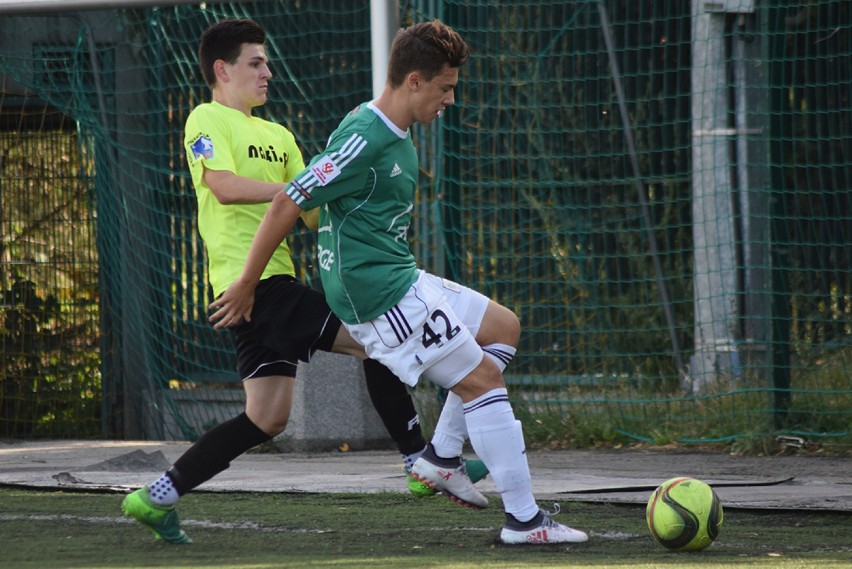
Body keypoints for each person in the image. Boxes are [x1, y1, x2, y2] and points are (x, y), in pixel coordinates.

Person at [210, 20, 589, 545]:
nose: (450, 99)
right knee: (483, 382)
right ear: (414, 81)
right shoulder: (365, 137)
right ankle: (524, 521)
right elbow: (286, 200)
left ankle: (440, 456)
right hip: (377, 295)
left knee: (503, 328)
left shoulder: (391, 127)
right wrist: (248, 282)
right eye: (445, 88)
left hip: (399, 274)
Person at [120, 18, 485, 545]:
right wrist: (294, 190)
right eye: (255, 62)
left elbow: (317, 210)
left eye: (267, 62)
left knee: (266, 418)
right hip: (250, 285)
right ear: (222, 70)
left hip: (273, 285)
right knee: (378, 341)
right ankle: (420, 463)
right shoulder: (205, 119)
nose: (268, 71)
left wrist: (363, 201)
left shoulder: (281, 136)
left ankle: (156, 497)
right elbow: (222, 186)